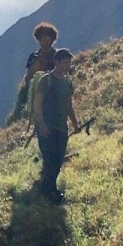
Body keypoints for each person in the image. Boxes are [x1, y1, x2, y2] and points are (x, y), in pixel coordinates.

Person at [30, 48, 79, 202]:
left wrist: (75, 124)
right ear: (56, 62)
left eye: (69, 63)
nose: (67, 66)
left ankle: (46, 190)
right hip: (47, 127)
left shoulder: (68, 82)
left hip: (61, 128)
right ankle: (50, 192)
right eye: (65, 62)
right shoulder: (46, 80)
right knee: (50, 160)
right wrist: (42, 125)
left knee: (58, 161)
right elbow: (37, 105)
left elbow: (69, 105)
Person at [13, 22, 59, 119]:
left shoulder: (57, 55)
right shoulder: (33, 57)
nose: (45, 42)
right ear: (38, 39)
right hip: (37, 92)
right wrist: (34, 68)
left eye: (48, 39)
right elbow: (27, 79)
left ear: (52, 40)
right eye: (43, 39)